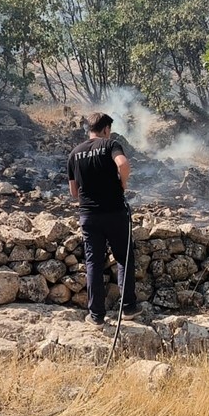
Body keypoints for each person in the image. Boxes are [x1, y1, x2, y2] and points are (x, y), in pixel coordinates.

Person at [67, 112, 140, 325]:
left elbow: (73, 191)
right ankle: (128, 309)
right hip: (115, 212)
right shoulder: (110, 145)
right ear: (106, 129)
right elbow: (123, 165)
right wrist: (123, 184)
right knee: (124, 258)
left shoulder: (74, 153)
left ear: (89, 129)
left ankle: (97, 316)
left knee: (94, 263)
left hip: (89, 216)